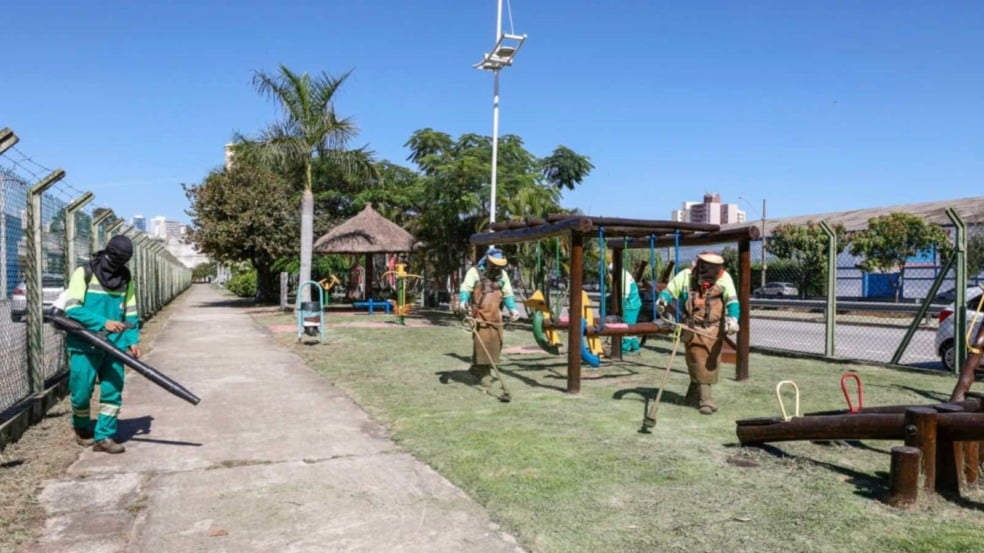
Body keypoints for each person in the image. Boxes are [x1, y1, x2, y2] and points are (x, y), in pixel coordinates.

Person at [64, 235, 140, 453]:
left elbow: (131, 312)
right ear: (108, 253)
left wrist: (133, 341)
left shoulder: (125, 277)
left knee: (112, 391)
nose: (120, 265)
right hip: (84, 344)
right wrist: (103, 322)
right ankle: (82, 428)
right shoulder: (84, 273)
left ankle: (104, 437)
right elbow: (72, 308)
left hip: (114, 346)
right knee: (81, 393)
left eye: (125, 260)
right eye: (118, 259)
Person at [656, 252, 739, 415]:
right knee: (698, 360)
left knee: (710, 363)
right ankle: (706, 400)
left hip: (715, 331)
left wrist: (733, 319)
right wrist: (662, 300)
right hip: (693, 328)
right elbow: (669, 291)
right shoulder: (685, 276)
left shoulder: (725, 278)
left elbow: (732, 301)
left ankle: (692, 397)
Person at [458, 247, 521, 387]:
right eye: (494, 265)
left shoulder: (503, 275)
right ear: (487, 261)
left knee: (496, 343)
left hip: (495, 315)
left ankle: (477, 369)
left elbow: (508, 293)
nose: (497, 268)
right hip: (479, 315)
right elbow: (465, 288)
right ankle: (484, 373)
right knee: (482, 344)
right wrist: (463, 301)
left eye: (500, 265)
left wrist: (513, 309)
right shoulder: (474, 272)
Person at [611, 264, 643, 353]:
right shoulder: (624, 274)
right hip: (634, 303)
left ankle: (625, 347)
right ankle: (635, 347)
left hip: (631, 304)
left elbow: (624, 295)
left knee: (627, 325)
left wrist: (619, 308)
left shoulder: (624, 277)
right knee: (631, 325)